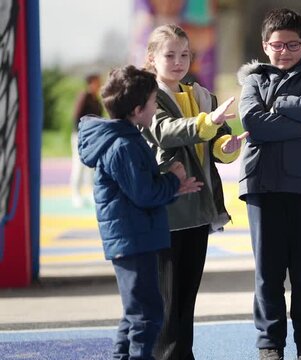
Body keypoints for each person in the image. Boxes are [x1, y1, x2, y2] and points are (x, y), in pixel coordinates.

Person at [236, 8, 301, 360]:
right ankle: (270, 343)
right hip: (261, 186)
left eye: (292, 45)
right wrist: (300, 125)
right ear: (265, 45)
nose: (285, 52)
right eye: (278, 45)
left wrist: (280, 103)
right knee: (267, 273)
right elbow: (254, 119)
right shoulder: (252, 81)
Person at [77, 65, 203, 360]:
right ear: (137, 109)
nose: (155, 107)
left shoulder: (128, 138)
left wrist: (172, 186)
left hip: (136, 236)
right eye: (152, 102)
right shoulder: (123, 145)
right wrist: (172, 178)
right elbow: (144, 194)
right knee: (146, 316)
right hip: (133, 239)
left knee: (135, 313)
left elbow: (140, 186)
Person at [141, 24, 247, 360]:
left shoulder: (202, 95)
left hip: (199, 210)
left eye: (184, 54)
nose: (178, 61)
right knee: (167, 301)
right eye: (169, 55)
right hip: (167, 211)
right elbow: (165, 131)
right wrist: (207, 124)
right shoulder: (146, 98)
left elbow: (218, 143)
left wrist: (226, 145)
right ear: (151, 59)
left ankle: (181, 354)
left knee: (187, 298)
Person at [70, 73, 102, 208]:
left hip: (92, 137)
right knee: (79, 164)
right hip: (80, 136)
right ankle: (76, 194)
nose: (99, 84)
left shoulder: (96, 99)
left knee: (91, 166)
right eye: (97, 82)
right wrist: (81, 134)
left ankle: (91, 193)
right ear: (90, 82)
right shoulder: (84, 96)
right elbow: (76, 117)